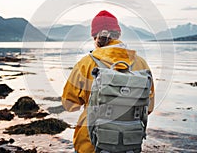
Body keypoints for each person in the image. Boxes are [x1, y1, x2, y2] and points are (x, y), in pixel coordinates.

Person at [62, 10, 155, 153]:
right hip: (129, 143)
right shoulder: (142, 64)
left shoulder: (85, 64)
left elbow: (69, 105)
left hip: (90, 144)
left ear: (94, 36)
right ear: (118, 34)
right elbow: (148, 108)